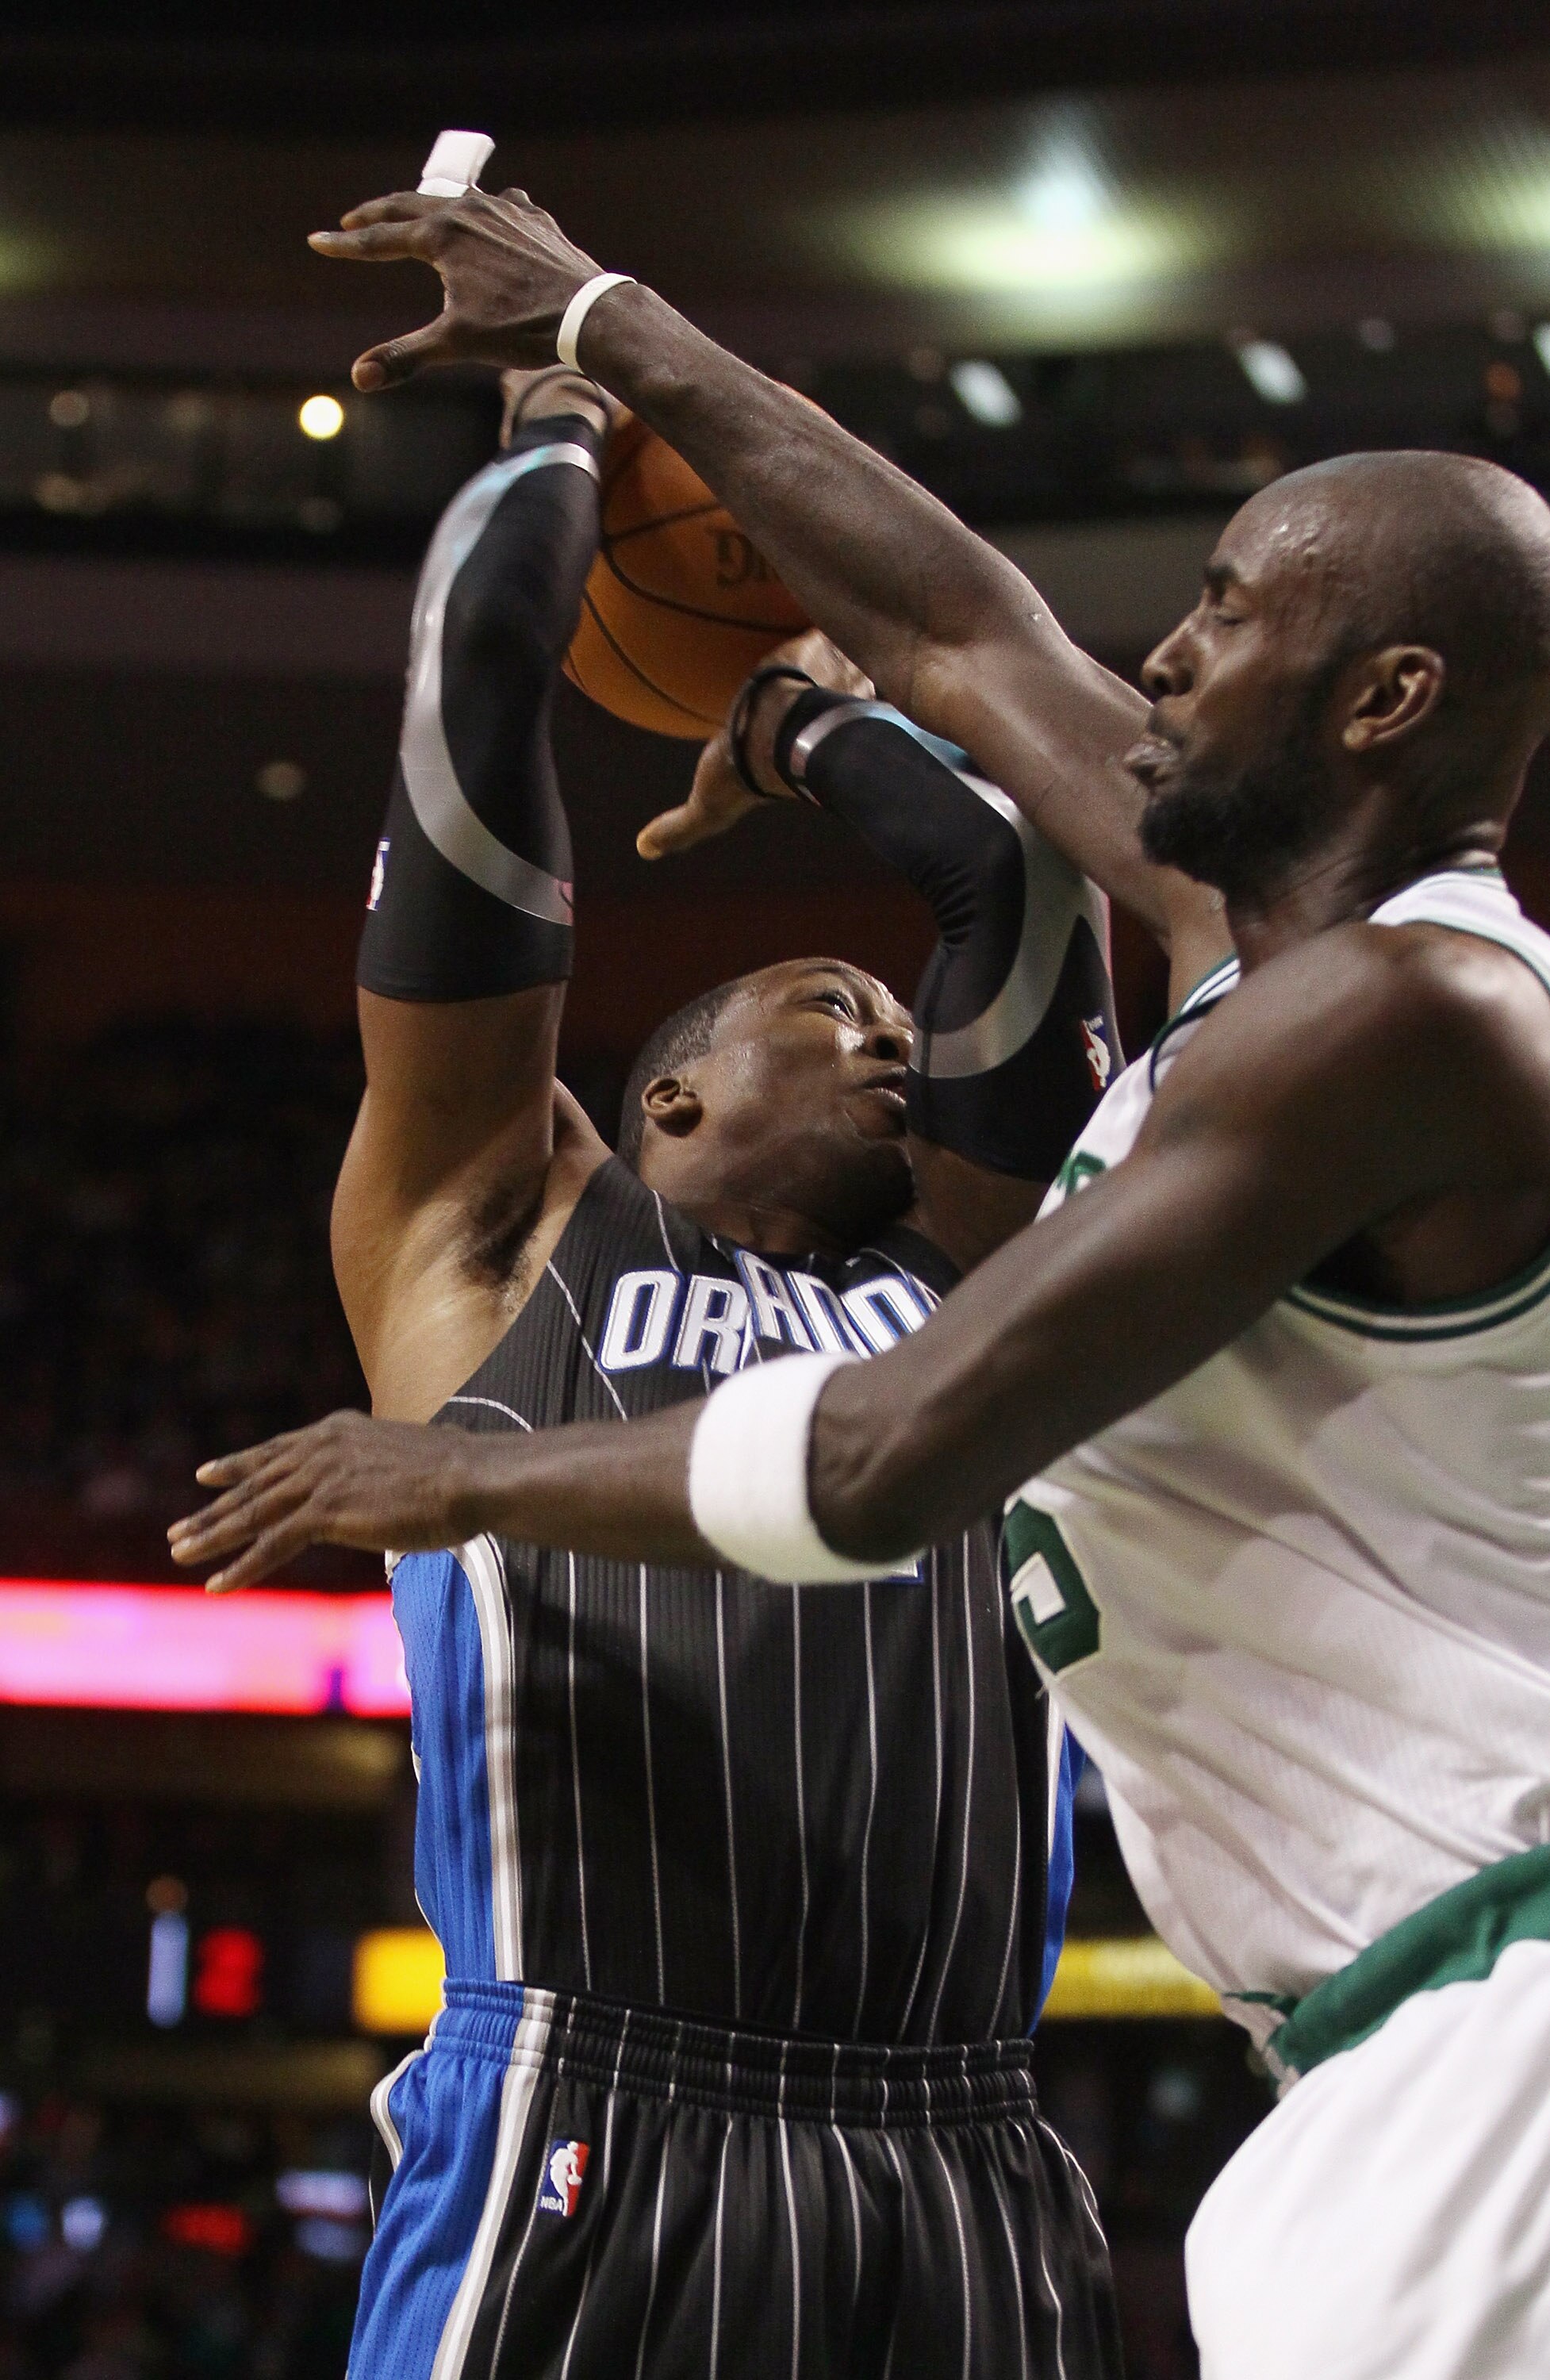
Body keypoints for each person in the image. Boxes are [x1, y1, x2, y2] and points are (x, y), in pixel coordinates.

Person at [174, 182, 1550, 2378]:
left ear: (1385, 699)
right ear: (672, 1104)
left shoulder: (1385, 1028)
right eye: (823, 1008)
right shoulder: (1233, 982)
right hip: (663, 2101)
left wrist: (453, 1483)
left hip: (1367, 2034)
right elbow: (967, 640)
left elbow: (897, 1444)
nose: (1161, 654)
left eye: (1220, 615)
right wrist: (600, 349)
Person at [205, 356, 1130, 2378]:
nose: (898, 1030)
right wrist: (555, 432)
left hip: (957, 2141)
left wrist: (807, 718)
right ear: (674, 1094)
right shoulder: (502, 1229)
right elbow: (472, 707)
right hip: (592, 2110)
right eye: (834, 1000)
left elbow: (1026, 882)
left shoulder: (976, 1274)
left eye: (898, 1010)